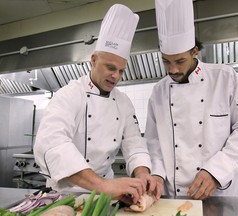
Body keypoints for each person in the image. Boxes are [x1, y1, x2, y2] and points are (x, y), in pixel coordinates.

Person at [34, 4, 162, 204]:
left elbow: (134, 144)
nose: (116, 76)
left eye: (121, 70)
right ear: (93, 60)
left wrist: (142, 172)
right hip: (67, 195)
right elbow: (52, 142)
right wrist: (102, 186)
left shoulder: (123, 102)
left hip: (106, 196)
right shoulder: (69, 95)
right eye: (110, 67)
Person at [145, 0, 238, 200]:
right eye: (166, 61)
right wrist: (156, 173)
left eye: (180, 61)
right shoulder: (159, 91)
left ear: (194, 51)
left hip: (219, 192)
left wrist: (215, 172)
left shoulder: (224, 77)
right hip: (174, 195)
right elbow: (153, 140)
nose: (173, 69)